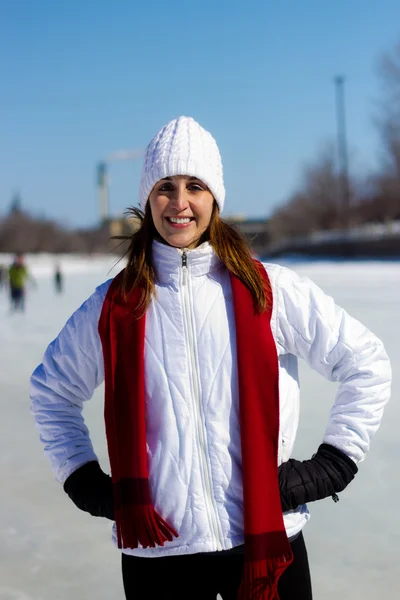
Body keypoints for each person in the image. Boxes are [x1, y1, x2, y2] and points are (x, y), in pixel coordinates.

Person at [30, 116, 391, 600]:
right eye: (165, 187)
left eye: (194, 186)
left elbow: (366, 362)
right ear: (147, 199)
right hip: (159, 550)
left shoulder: (272, 291)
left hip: (264, 541)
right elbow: (51, 391)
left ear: (214, 199)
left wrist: (336, 460)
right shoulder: (112, 305)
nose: (180, 203)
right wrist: (81, 477)